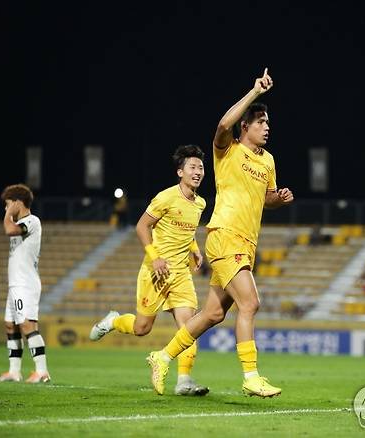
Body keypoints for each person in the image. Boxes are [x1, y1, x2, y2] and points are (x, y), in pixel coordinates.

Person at [147, 68, 294, 398]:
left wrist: (278, 199)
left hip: (247, 239)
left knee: (212, 314)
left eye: (268, 123)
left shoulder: (268, 160)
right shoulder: (227, 149)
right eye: (261, 123)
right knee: (251, 303)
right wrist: (255, 92)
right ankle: (251, 375)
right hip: (225, 234)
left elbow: (265, 199)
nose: (267, 128)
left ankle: (162, 356)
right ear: (246, 127)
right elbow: (223, 125)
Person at [89, 145, 209, 396]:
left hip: (180, 275)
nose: (198, 172)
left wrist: (195, 247)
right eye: (192, 167)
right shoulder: (165, 197)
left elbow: (186, 231)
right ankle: (113, 320)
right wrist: (154, 258)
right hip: (155, 272)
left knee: (189, 328)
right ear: (180, 172)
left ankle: (184, 380)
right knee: (142, 328)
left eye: (201, 167)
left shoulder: (200, 203)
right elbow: (142, 226)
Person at [0, 184, 51, 383]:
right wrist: (10, 212)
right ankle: (14, 371)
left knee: (27, 325)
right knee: (11, 325)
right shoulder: (22, 221)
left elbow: (9, 230)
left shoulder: (31, 221)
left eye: (8, 204)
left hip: (25, 284)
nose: (6, 208)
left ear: (18, 203)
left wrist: (8, 213)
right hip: (15, 285)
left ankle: (41, 371)